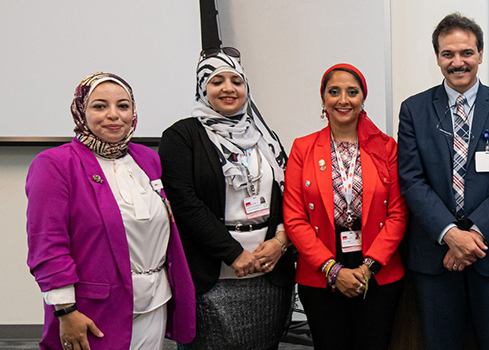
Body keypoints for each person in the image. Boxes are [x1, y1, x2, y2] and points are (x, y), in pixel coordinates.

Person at [26, 72, 196, 350]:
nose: (113, 115)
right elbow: (48, 242)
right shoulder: (55, 164)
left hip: (155, 301)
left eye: (123, 106)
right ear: (81, 111)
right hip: (93, 309)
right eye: (99, 106)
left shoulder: (147, 158)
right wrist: (65, 311)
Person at [396, 13, 489, 350]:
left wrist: (473, 235)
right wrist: (451, 234)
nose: (458, 62)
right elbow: (412, 180)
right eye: (448, 54)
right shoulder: (414, 109)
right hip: (435, 255)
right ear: (438, 58)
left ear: (480, 54)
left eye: (466, 53)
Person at [159, 50, 294, 349]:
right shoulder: (182, 136)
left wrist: (281, 241)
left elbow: (289, 195)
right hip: (211, 276)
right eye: (217, 81)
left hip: (268, 272)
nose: (228, 88)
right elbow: (185, 203)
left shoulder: (264, 136)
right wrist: (233, 253)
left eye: (237, 80)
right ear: (202, 88)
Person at [283, 63, 408, 350]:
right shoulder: (302, 148)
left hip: (377, 269)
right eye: (334, 92)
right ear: (323, 99)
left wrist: (367, 268)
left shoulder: (386, 147)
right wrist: (333, 270)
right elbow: (294, 218)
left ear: (363, 99)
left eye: (352, 92)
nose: (343, 100)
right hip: (321, 267)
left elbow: (399, 213)